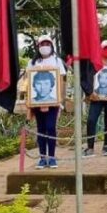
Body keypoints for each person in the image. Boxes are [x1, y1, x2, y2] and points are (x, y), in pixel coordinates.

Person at [26, 34, 67, 169]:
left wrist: (60, 98)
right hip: (37, 103)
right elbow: (28, 83)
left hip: (53, 102)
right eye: (42, 44)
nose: (45, 47)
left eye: (47, 44)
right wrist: (29, 103)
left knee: (51, 127)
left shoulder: (57, 61)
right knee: (41, 129)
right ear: (38, 47)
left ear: (51, 46)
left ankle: (52, 157)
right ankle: (42, 158)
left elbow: (61, 80)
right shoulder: (32, 63)